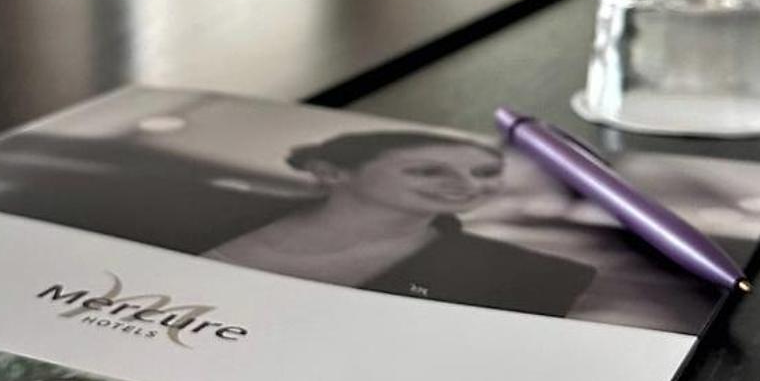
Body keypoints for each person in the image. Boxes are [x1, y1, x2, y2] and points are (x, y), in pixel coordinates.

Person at [205, 130, 594, 318]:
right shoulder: (207, 206)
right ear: (330, 172)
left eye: (485, 172)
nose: (469, 185)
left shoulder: (537, 277)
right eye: (428, 170)